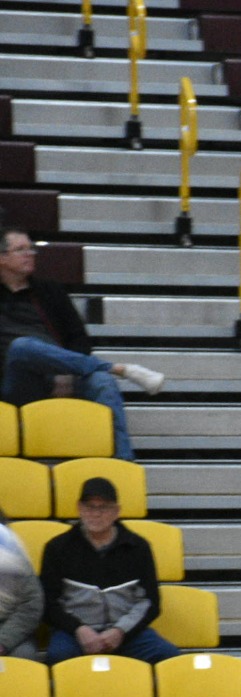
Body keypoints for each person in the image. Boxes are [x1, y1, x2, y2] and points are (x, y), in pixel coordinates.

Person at [2, 226, 162, 461]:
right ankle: (115, 367)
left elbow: (79, 337)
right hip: (16, 380)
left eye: (31, 249)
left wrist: (66, 372)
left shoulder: (49, 290)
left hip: (62, 373)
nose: (30, 254)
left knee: (103, 382)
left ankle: (124, 466)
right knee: (22, 347)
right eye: (20, 249)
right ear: (2, 258)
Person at [38, 476, 179, 664]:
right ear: (79, 508)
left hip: (127, 633)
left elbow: (151, 602)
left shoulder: (138, 547)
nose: (96, 514)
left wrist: (120, 631)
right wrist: (79, 630)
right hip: (75, 633)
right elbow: (48, 603)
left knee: (168, 657)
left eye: (103, 507)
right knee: (58, 656)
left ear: (116, 511)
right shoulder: (57, 548)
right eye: (89, 507)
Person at [0, 514, 43, 659]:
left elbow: (30, 606)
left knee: (24, 655)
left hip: (12, 632)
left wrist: (3, 641)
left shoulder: (17, 560)